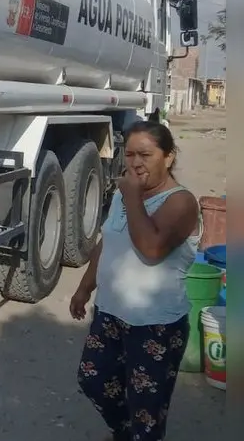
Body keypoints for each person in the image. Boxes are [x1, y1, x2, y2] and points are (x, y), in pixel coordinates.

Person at [70, 120, 201, 441]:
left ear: (168, 157)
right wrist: (84, 288)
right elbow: (108, 241)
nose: (136, 163)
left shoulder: (181, 202)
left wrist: (131, 196)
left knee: (147, 411)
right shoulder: (125, 195)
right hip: (111, 314)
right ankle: (124, 432)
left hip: (155, 325)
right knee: (93, 379)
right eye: (129, 155)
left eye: (146, 154)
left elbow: (151, 248)